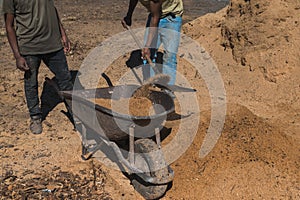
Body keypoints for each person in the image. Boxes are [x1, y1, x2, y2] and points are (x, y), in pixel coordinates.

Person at [2, 0, 73, 134]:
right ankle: (35, 116)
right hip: (29, 47)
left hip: (53, 44)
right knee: (31, 83)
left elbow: (52, 9)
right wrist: (17, 56)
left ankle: (75, 113)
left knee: (65, 79)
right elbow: (9, 26)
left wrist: (63, 34)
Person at [122, 0, 183, 85]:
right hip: (155, 14)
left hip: (172, 18)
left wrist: (147, 45)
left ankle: (168, 90)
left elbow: (155, 18)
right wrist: (129, 16)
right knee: (147, 55)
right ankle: (149, 86)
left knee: (170, 55)